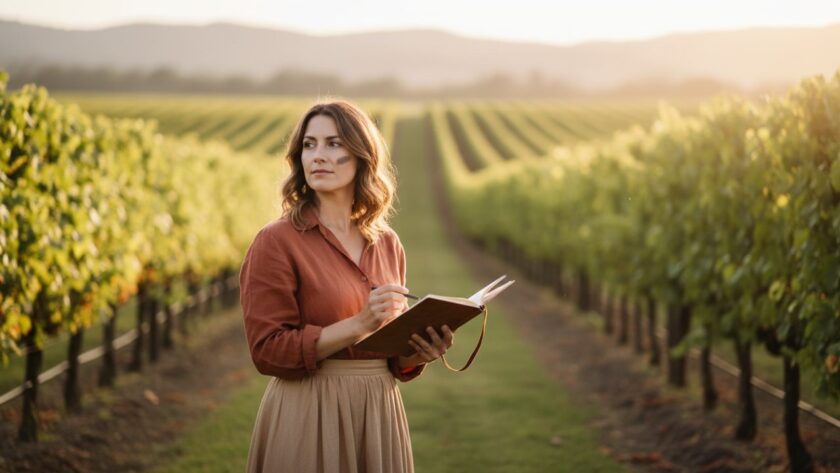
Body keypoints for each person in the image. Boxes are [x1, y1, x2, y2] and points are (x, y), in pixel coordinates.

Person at [239, 99, 455, 473]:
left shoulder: (388, 243)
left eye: (334, 144)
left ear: (361, 157)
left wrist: (417, 354)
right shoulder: (276, 241)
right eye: (309, 145)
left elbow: (390, 357)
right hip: (309, 409)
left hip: (378, 411)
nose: (318, 156)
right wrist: (359, 323)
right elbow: (267, 351)